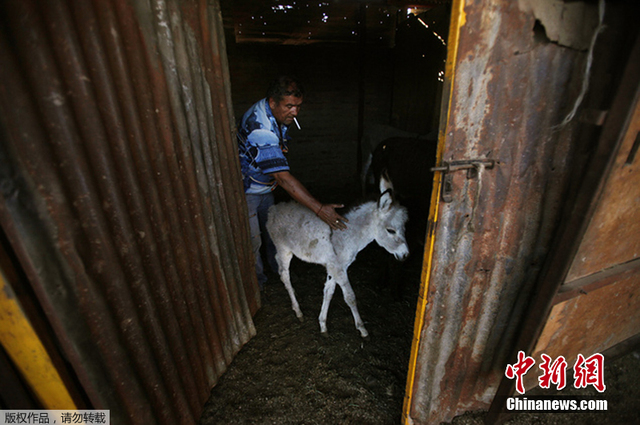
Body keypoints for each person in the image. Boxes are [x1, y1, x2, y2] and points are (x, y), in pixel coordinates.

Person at [237, 76, 348, 289]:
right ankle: (257, 286)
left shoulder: (276, 116)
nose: (295, 112)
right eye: (289, 106)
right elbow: (283, 178)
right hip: (248, 189)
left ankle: (279, 271)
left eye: (298, 106)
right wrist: (320, 209)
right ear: (272, 102)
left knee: (271, 232)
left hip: (265, 186)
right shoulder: (260, 127)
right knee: (253, 240)